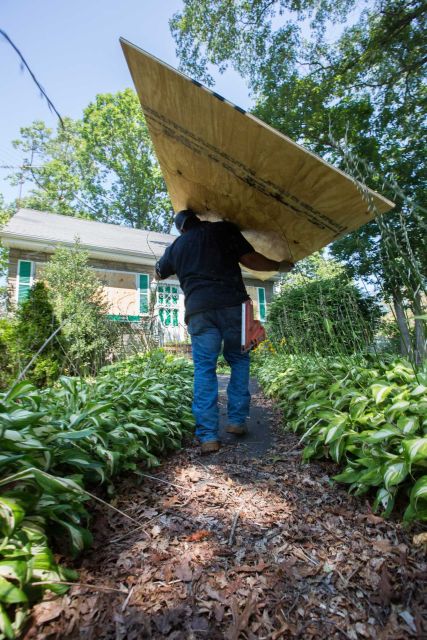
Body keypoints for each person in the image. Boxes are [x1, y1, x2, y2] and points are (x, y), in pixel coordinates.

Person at [155, 209, 293, 454]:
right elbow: (251, 260)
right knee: (239, 360)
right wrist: (280, 266)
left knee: (204, 368)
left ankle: (208, 436)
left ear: (182, 228)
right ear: (199, 219)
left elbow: (158, 272)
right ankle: (237, 422)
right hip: (234, 307)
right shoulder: (223, 230)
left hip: (199, 312)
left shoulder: (176, 246)